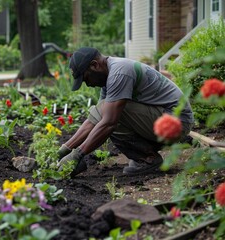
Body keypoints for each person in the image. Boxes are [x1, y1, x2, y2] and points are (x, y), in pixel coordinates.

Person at [57, 47, 194, 177]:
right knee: (106, 111)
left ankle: (148, 159)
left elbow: (108, 122)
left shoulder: (119, 72)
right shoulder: (108, 76)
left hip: (177, 123)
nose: (88, 84)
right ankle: (145, 155)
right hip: (164, 120)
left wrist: (78, 154)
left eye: (86, 78)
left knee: (112, 115)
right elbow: (95, 119)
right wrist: (65, 149)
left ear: (94, 65)